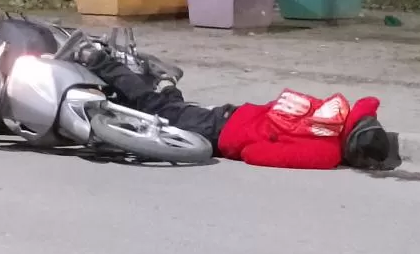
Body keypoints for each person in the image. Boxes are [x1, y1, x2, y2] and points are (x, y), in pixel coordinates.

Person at [77, 47, 391, 170]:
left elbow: (369, 102)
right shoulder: (327, 154)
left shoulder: (340, 111)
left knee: (178, 111)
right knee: (155, 107)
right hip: (223, 134)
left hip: (235, 112)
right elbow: (257, 155)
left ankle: (166, 83)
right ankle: (99, 61)